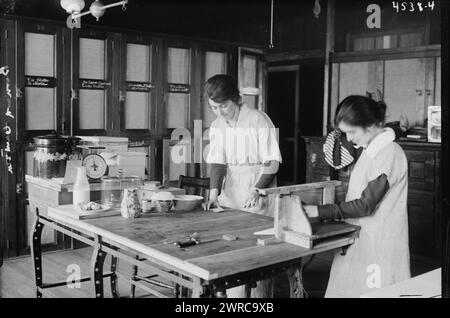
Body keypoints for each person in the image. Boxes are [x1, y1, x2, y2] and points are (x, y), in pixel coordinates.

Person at [304, 95, 411, 298]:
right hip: (363, 234)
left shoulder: (388, 153)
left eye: (352, 132)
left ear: (369, 125)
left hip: (380, 240)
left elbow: (365, 204)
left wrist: (319, 211)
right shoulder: (371, 148)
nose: (350, 139)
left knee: (377, 291)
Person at [204, 74, 282, 297]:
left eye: (224, 106)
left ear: (235, 99)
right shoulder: (218, 125)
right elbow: (217, 162)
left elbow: (272, 162)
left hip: (258, 186)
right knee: (231, 249)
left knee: (258, 253)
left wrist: (257, 189)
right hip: (232, 190)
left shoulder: (258, 119)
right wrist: (213, 194)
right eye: (213, 108)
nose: (219, 112)